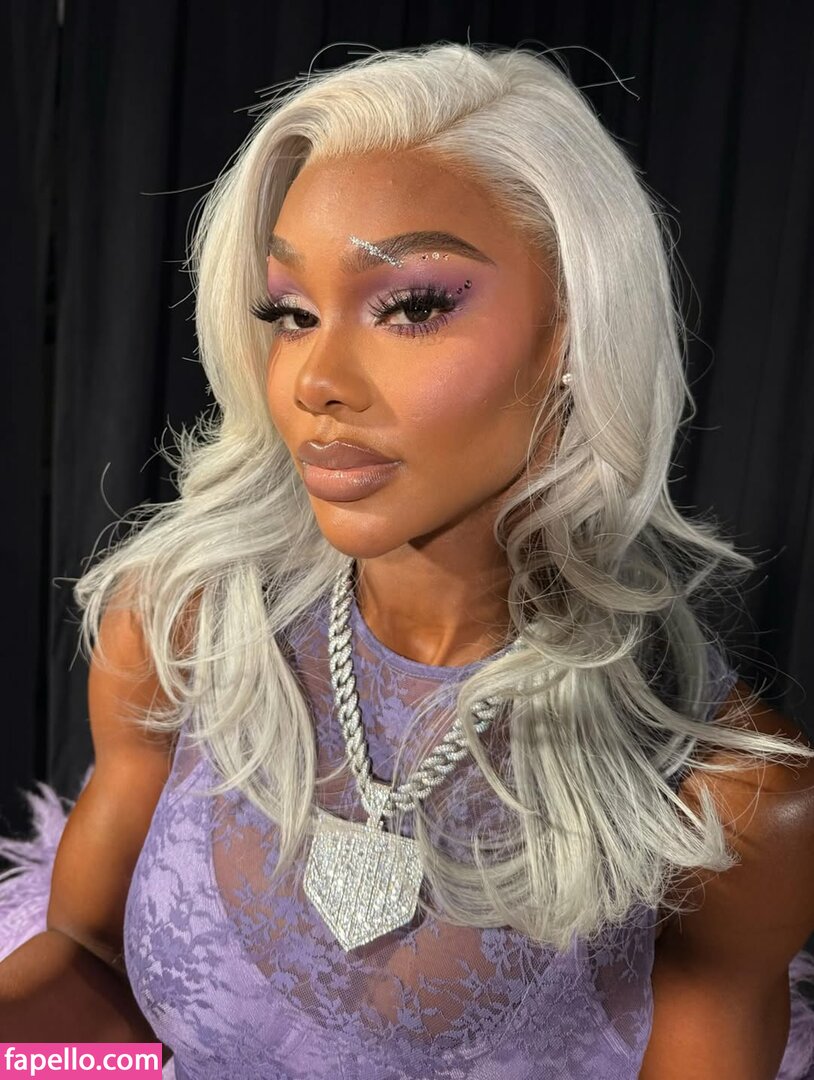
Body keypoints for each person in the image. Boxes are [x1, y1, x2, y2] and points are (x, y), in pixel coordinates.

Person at [1, 41, 813, 1080]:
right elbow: (96, 970)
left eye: (414, 307)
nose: (316, 379)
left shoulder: (730, 802)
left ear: (573, 331)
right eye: (291, 313)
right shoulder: (181, 630)